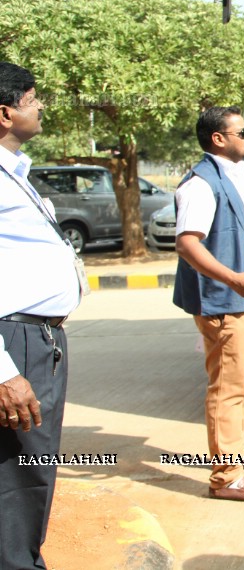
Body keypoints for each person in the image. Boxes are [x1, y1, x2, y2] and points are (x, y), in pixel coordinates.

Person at [172, 106, 244, 502]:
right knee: (227, 389)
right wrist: (234, 278)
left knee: (238, 384)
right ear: (218, 139)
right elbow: (187, 244)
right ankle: (226, 477)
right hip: (224, 301)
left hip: (240, 298)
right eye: (241, 132)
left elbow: (238, 230)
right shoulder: (201, 184)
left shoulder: (231, 176)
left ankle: (235, 452)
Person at [0, 62, 84, 568]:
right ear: (5, 113)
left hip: (39, 340)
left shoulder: (16, 172)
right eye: (33, 100)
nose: (40, 107)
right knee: (18, 475)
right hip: (16, 343)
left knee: (32, 471)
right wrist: (5, 372)